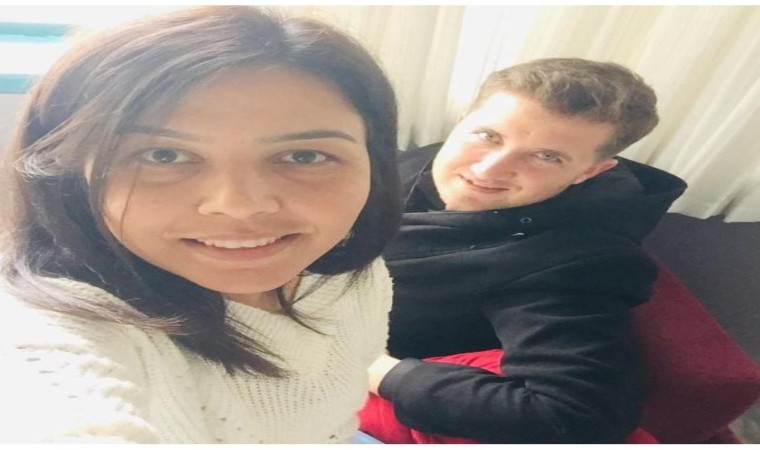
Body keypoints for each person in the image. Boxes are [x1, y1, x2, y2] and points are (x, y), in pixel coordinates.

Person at [0, 6, 402, 444]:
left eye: (304, 156)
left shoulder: (349, 274)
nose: (239, 207)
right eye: (164, 156)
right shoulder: (50, 334)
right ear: (70, 172)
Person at [360, 58, 688, 443]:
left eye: (546, 156)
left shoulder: (574, 263)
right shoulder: (423, 163)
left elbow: (575, 415)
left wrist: (379, 370)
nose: (488, 170)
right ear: (464, 120)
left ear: (589, 172)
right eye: (488, 135)